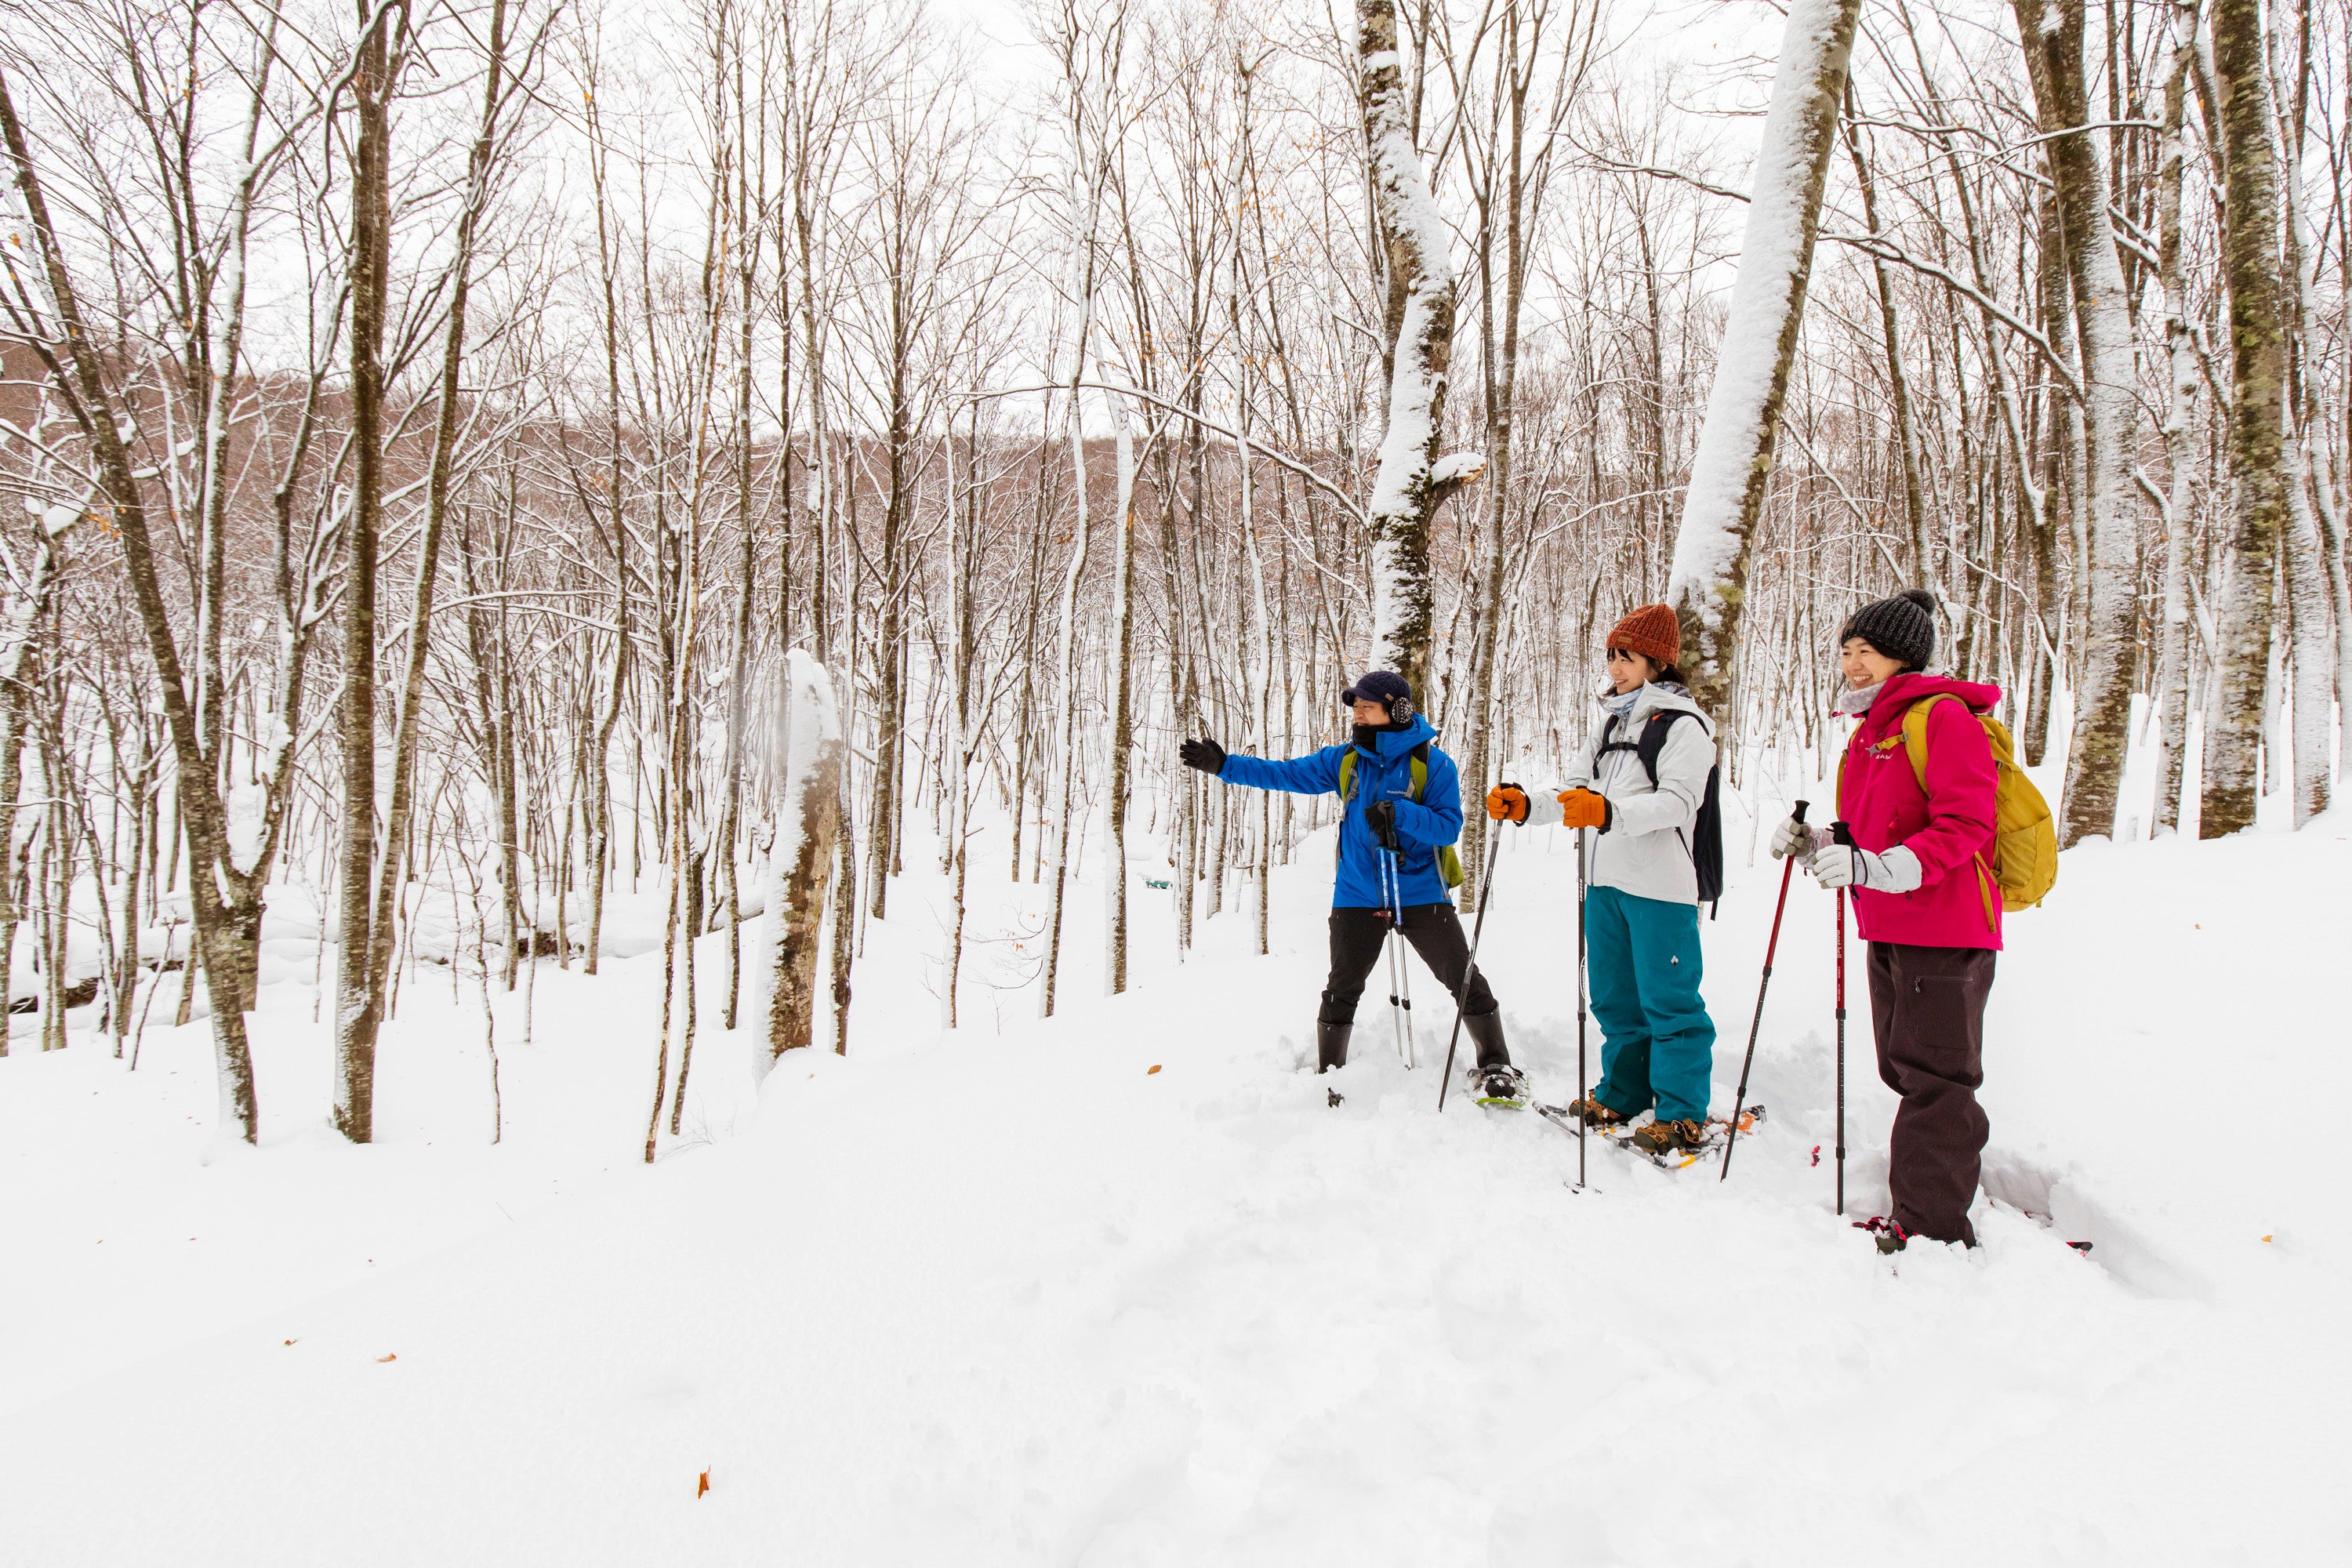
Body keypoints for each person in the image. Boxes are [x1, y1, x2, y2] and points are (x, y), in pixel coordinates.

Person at [1770, 587, 2001, 1254]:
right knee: (1907, 1069)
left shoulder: (1943, 720)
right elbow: (1865, 835)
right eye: (1847, 652)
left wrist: (1874, 870)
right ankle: (1923, 1198)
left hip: (1945, 928)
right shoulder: (1871, 732)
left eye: (1866, 652)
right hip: (1892, 925)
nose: (1853, 665)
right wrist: (1814, 843)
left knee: (1939, 1080)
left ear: (1904, 656)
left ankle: (1932, 1226)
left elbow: (1965, 825)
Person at [1178, 670, 1526, 1106]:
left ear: (1396, 711)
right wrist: (1225, 765)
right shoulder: (1346, 760)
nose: (1357, 714)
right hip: (1358, 892)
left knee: (1462, 977)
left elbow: (1448, 827)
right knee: (1342, 985)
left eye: (1367, 707)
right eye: (1355, 707)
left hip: (1420, 891)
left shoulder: (1434, 765)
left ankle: (1496, 1063)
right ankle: (1328, 1071)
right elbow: (1288, 775)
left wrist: (1401, 814)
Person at [1485, 604, 1720, 1157]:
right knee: (1615, 998)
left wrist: (1609, 815)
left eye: (1628, 657)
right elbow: (1576, 796)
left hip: (1661, 886)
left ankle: (1683, 1113)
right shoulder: (1612, 723)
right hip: (1605, 881)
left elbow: (1679, 802)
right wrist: (1526, 807)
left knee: (1670, 1002)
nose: (1616, 668)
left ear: (1658, 663)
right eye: (1612, 656)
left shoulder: (1686, 726)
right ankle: (1623, 1090)